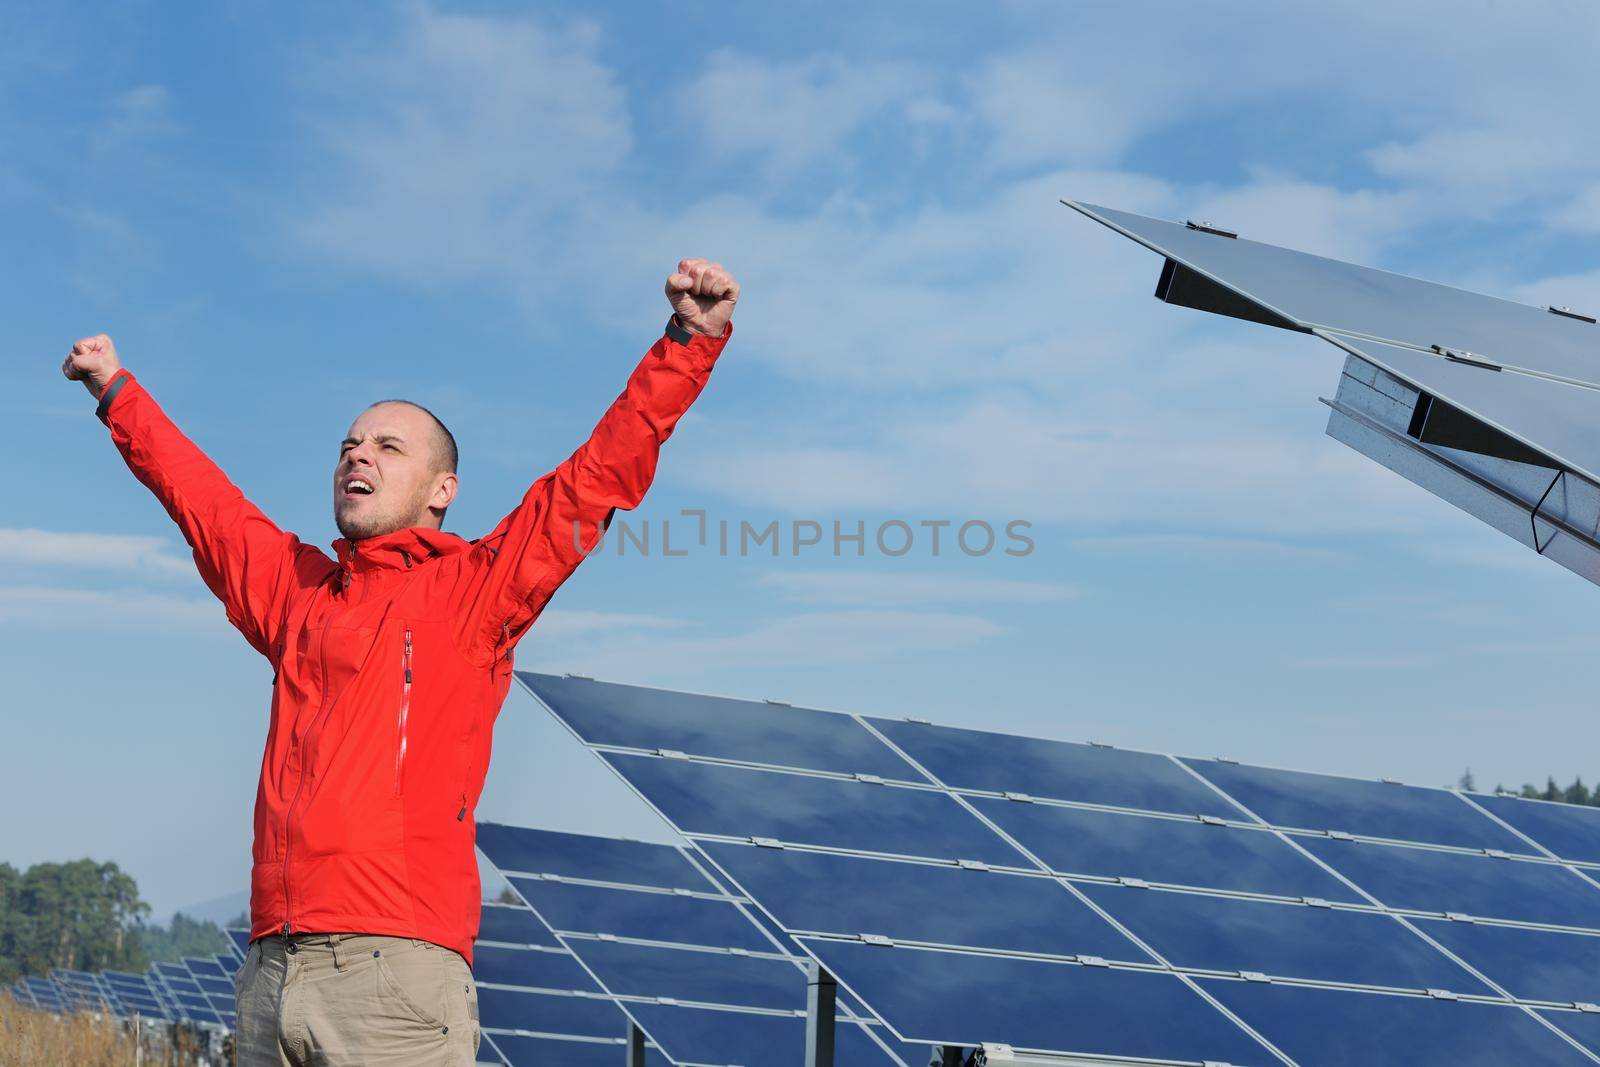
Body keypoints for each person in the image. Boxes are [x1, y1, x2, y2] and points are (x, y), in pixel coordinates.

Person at [60, 259, 740, 1065]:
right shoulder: (297, 592)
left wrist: (688, 340)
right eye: (349, 444)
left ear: (441, 488)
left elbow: (593, 479)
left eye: (388, 446)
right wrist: (115, 391)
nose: (359, 456)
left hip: (393, 978)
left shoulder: (475, 592)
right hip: (271, 969)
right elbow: (204, 501)